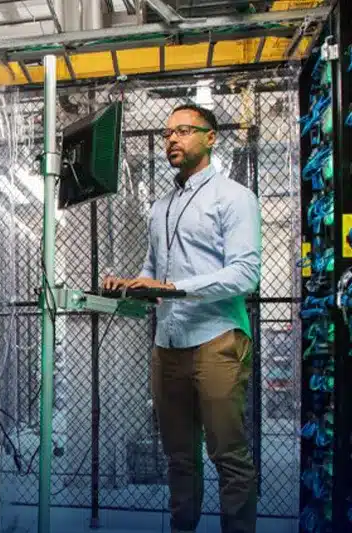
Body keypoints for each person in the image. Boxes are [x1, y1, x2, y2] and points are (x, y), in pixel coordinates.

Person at [103, 104, 261, 533]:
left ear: (211, 137)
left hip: (217, 339)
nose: (172, 139)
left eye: (184, 131)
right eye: (168, 132)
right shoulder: (162, 207)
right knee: (179, 456)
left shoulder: (234, 198)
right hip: (168, 344)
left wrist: (178, 289)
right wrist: (135, 282)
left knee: (229, 455)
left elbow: (246, 274)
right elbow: (155, 268)